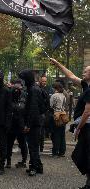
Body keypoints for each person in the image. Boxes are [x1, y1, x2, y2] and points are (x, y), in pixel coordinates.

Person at [50, 58, 90, 189]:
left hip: (87, 126)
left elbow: (87, 112)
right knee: (83, 154)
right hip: (85, 126)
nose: (83, 72)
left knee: (82, 154)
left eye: (86, 71)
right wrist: (58, 64)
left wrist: (78, 127)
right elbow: (71, 75)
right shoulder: (85, 85)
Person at [19, 69, 46, 176]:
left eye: (24, 79)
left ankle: (34, 168)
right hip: (36, 122)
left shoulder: (33, 90)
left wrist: (28, 125)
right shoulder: (34, 88)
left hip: (34, 123)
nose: (23, 82)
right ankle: (38, 166)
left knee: (33, 146)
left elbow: (33, 109)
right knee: (33, 146)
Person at [6, 79, 28, 169]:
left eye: (19, 87)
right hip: (11, 124)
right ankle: (8, 161)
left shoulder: (24, 96)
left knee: (22, 144)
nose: (17, 89)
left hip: (20, 124)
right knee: (9, 144)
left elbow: (27, 111)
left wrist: (26, 124)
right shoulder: (9, 95)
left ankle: (23, 161)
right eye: (16, 86)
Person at [50, 82, 67, 157]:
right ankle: (62, 151)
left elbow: (51, 106)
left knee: (55, 134)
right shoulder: (63, 96)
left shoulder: (54, 96)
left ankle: (55, 151)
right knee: (62, 134)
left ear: (55, 88)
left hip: (56, 115)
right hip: (63, 115)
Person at [38, 75, 52, 152]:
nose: (44, 82)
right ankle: (38, 146)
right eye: (42, 81)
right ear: (40, 81)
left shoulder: (49, 89)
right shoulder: (37, 88)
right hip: (39, 112)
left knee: (42, 130)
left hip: (44, 113)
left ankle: (41, 146)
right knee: (39, 131)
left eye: (45, 81)